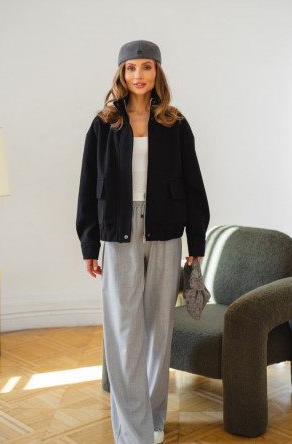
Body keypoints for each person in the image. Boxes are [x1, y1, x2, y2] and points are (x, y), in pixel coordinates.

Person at [76, 40, 210, 444]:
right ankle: (132, 431)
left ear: (157, 72)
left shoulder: (175, 122)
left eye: (147, 67)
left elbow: (194, 183)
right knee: (123, 332)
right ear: (122, 73)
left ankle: (153, 419)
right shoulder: (103, 123)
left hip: (166, 232)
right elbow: (87, 186)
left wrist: (196, 241)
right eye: (131, 68)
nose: (139, 75)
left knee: (158, 329)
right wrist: (89, 244)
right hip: (119, 233)